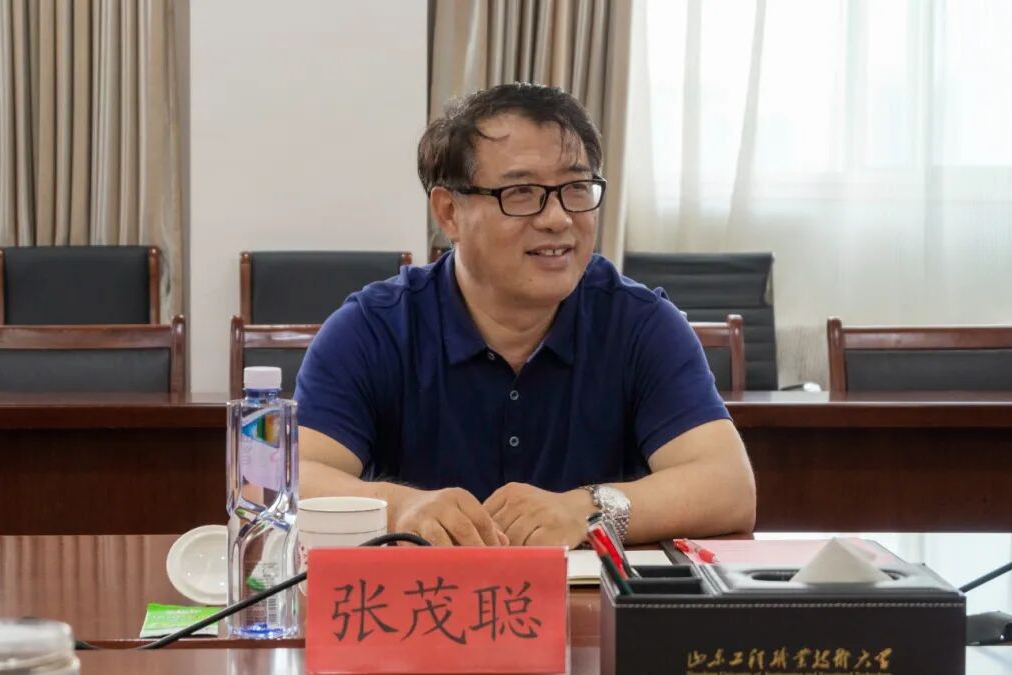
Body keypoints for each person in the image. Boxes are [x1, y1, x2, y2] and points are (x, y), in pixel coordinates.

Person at [295, 83, 755, 547]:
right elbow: (286, 479)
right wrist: (401, 506)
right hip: (422, 592)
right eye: (521, 192)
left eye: (576, 188)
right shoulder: (374, 328)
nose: (557, 218)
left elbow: (728, 487)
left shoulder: (640, 323)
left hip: (587, 593)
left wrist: (586, 510)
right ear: (449, 212)